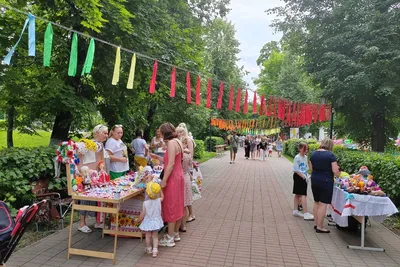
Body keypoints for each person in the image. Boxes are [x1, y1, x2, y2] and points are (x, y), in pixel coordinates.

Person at [156, 123, 184, 247]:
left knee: (170, 205)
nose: (160, 135)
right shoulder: (177, 141)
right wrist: (157, 157)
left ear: (164, 132)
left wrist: (164, 180)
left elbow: (171, 163)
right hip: (179, 175)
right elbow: (173, 160)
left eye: (161, 132)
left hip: (173, 177)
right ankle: (176, 233)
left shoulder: (172, 143)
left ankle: (169, 237)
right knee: (178, 204)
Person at [78, 124, 108, 233]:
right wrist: (83, 172)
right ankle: (82, 223)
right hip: (85, 177)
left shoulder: (100, 146)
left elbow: (101, 160)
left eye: (107, 133)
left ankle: (98, 221)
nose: (106, 135)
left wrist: (101, 169)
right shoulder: (85, 144)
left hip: (96, 176)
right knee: (85, 200)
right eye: (104, 133)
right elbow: (79, 160)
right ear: (96, 133)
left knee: (97, 199)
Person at [310, 138, 340, 233]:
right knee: (323, 204)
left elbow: (311, 168)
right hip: (326, 180)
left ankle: (316, 223)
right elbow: (335, 171)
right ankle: (320, 226)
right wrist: (338, 173)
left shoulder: (313, 154)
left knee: (316, 202)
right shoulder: (330, 155)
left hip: (314, 178)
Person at [176, 123, 195, 232]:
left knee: (185, 198)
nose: (179, 134)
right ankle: (186, 220)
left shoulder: (188, 140)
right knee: (186, 198)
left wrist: (184, 151)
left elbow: (190, 157)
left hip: (186, 170)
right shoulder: (181, 141)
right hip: (185, 171)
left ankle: (189, 216)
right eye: (177, 132)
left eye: (180, 132)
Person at [136, 182, 164, 258]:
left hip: (148, 222)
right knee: (155, 236)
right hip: (156, 222)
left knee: (147, 236)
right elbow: (163, 197)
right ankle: (155, 250)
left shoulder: (145, 203)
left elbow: (143, 213)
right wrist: (161, 190)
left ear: (147, 193)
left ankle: (149, 248)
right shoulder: (159, 200)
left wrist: (138, 220)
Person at [292, 142, 314, 221]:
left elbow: (305, 168)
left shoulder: (305, 157)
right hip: (299, 177)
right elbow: (296, 169)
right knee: (302, 194)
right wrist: (304, 177)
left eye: (307, 149)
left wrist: (307, 175)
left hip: (304, 176)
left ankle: (295, 210)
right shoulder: (297, 157)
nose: (306, 151)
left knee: (298, 194)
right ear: (300, 149)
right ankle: (305, 213)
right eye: (304, 149)